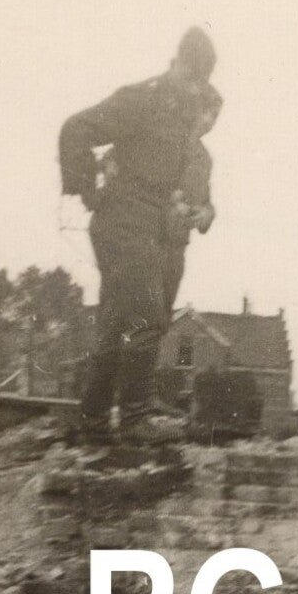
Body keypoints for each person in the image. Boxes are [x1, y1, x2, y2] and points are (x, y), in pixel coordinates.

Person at [59, 27, 222, 444]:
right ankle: (134, 420)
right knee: (146, 316)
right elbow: (76, 129)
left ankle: (94, 421)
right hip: (125, 222)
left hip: (164, 235)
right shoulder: (142, 100)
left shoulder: (190, 129)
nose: (194, 89)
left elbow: (198, 193)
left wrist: (197, 212)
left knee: (120, 323)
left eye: (200, 82)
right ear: (179, 64)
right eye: (191, 77)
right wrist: (87, 191)